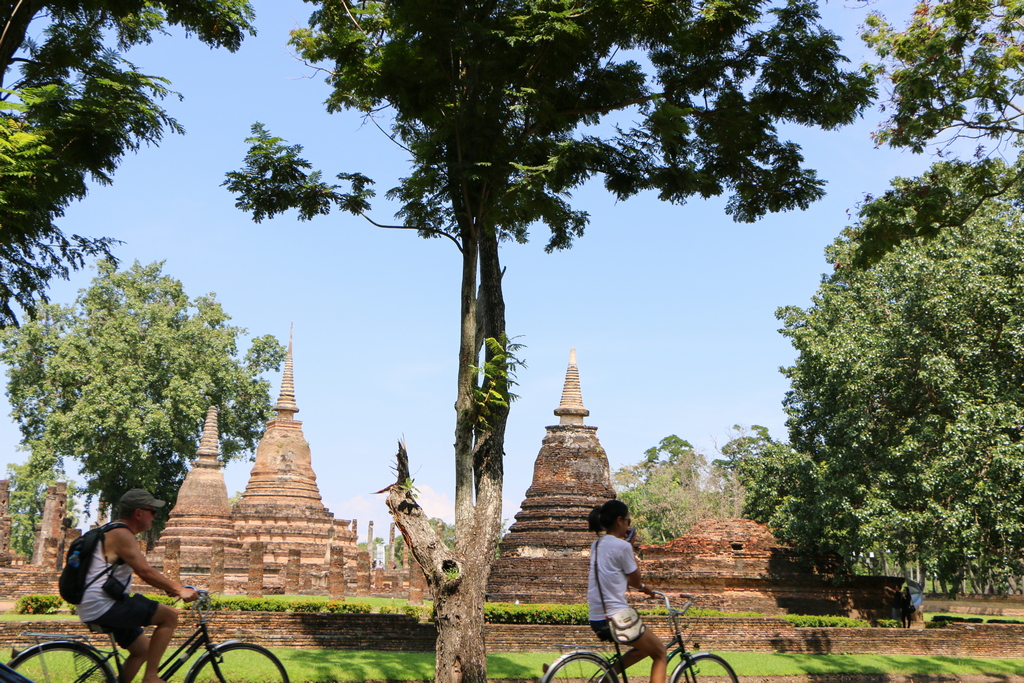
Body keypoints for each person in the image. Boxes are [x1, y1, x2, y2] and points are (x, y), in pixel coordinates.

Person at [76, 489, 199, 683]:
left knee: (142, 650)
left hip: (95, 603)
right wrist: (179, 589)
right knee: (169, 616)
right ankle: (150, 677)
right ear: (138, 513)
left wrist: (169, 586)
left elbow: (145, 571)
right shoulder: (121, 534)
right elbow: (144, 571)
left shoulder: (112, 529)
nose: (155, 516)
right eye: (152, 511)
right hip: (103, 605)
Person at [587, 500, 667, 683]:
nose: (628, 525)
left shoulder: (596, 545)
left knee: (643, 648)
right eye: (628, 521)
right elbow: (635, 578)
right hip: (617, 617)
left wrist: (643, 588)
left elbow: (616, 576)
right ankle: (605, 679)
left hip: (597, 617)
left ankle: (605, 679)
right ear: (620, 520)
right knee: (660, 652)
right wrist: (630, 546)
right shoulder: (623, 546)